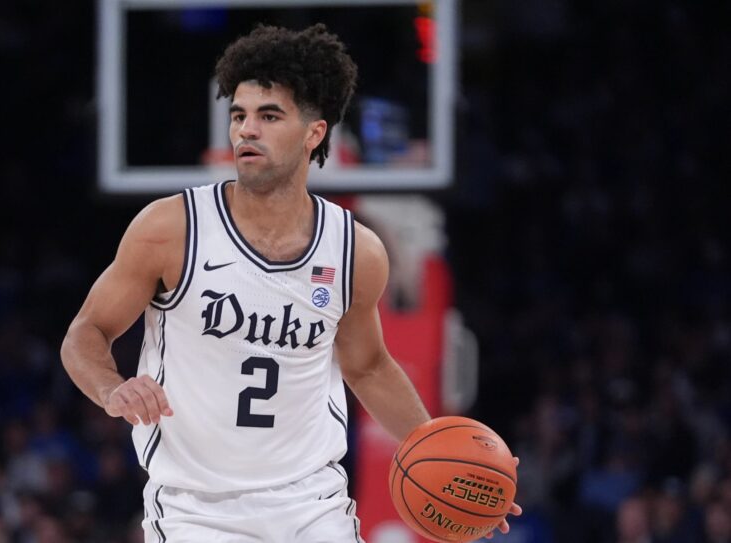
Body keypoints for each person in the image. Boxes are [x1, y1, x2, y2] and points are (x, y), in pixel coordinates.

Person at [61, 23, 520, 541]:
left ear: (314, 133)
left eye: (268, 116)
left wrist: (447, 460)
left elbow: (367, 366)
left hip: (311, 507)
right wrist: (111, 388)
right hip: (197, 509)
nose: (245, 131)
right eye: (239, 115)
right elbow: (87, 331)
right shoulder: (171, 230)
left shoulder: (356, 251)